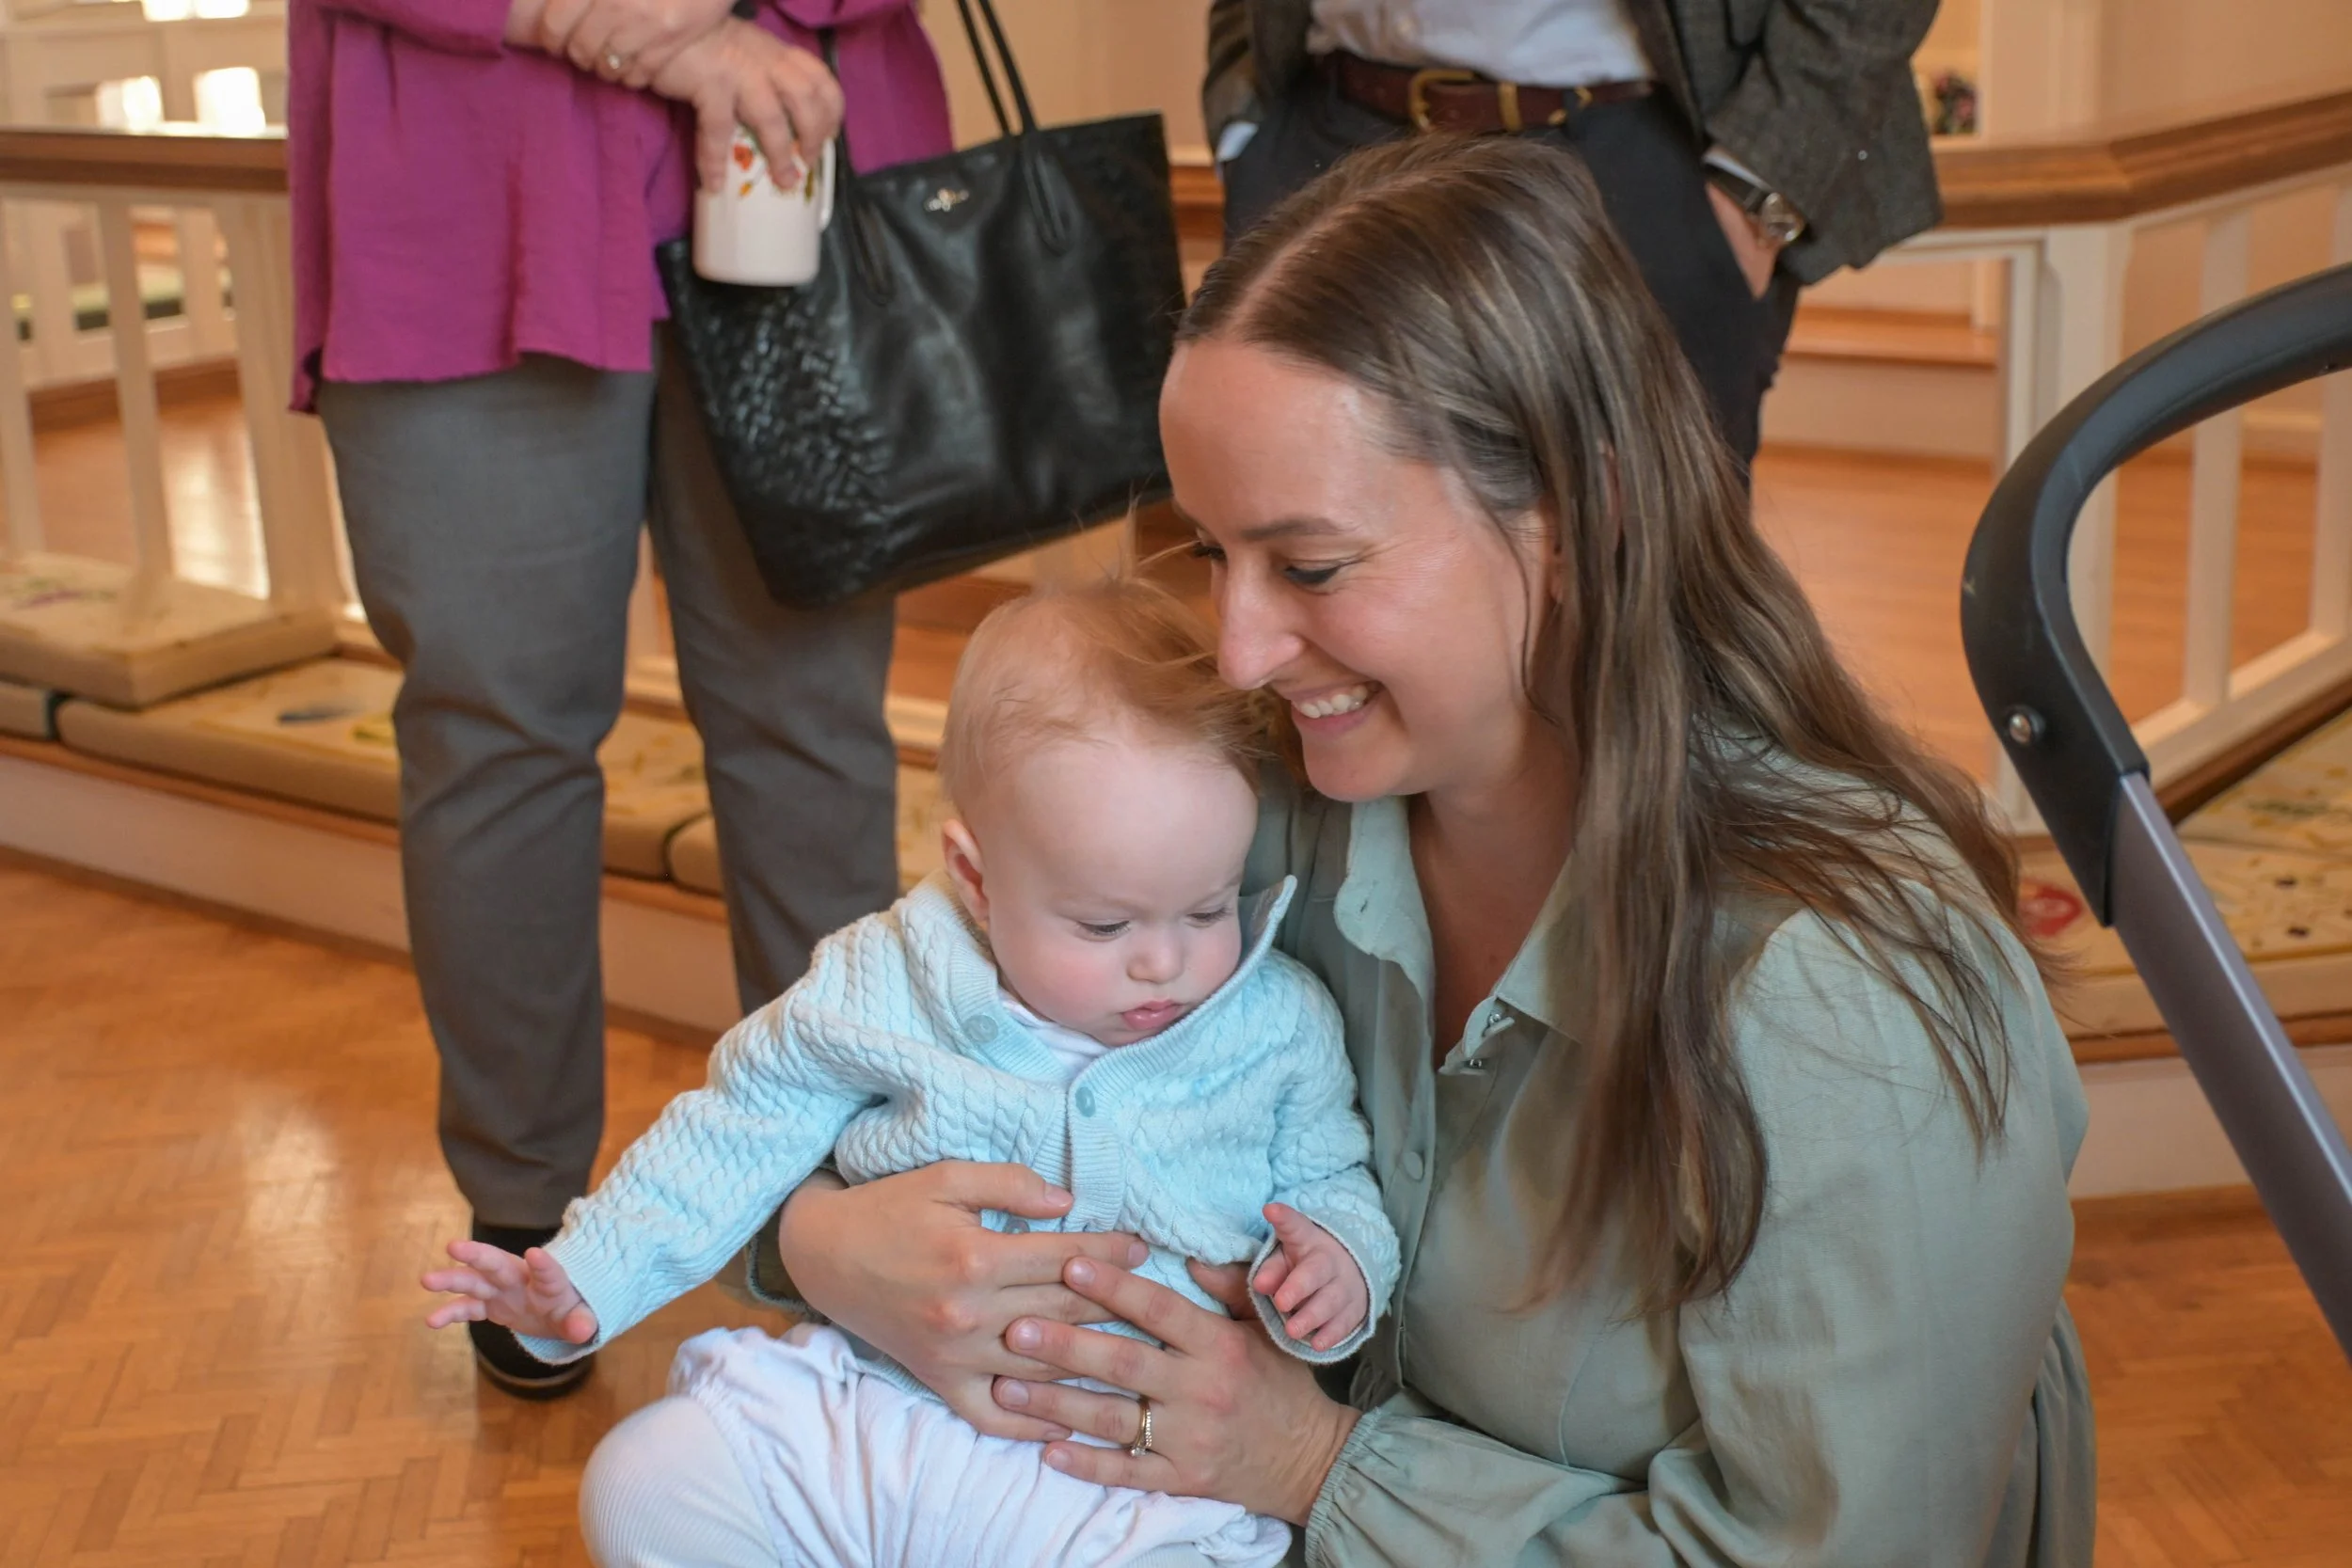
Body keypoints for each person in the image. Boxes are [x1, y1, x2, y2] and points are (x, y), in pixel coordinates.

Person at [639, 135, 2094, 1565]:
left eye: (1313, 565)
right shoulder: (1254, 797)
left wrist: (1312, 1458)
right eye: (1211, 552)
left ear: (1577, 515)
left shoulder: (1844, 989)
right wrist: (825, 1244)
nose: (1239, 645)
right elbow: (883, 1051)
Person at [425, 582, 1404, 1568]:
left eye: (1206, 906)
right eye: (1104, 924)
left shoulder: (1277, 1021)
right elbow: (736, 1127)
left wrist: (1338, 1267)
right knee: (644, 1483)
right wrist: (588, 1276)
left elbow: (1330, 1176)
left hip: (1118, 1478)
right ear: (976, 880)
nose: (1165, 962)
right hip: (881, 1408)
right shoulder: (884, 975)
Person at [289, 0, 954, 1398]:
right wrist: (636, 30)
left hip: (809, 160)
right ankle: (525, 1212)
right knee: (495, 738)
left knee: (811, 736)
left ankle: (843, 1196)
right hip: (467, 183)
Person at [1204, 0, 1945, 464]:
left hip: (1641, 162)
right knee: (1323, 559)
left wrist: (1757, 189)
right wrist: (1243, 130)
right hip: (1328, 136)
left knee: (1648, 615)